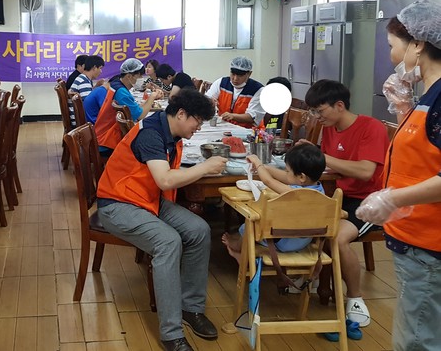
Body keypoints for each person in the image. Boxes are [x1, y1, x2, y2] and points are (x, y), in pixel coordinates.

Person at [96, 88, 227, 351]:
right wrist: (205, 167)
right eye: (197, 121)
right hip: (117, 204)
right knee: (168, 242)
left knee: (199, 230)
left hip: (146, 199)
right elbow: (165, 180)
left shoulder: (170, 131)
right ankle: (171, 333)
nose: (199, 128)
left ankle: (191, 308)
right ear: (181, 114)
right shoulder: (151, 134)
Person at [356, 0, 441, 351]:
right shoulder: (429, 96)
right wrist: (405, 108)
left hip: (429, 242)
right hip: (414, 239)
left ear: (418, 45)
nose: (392, 56)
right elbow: (425, 154)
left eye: (393, 46)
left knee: (418, 340)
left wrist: (392, 198)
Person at [302, 79, 388, 326]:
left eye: (320, 111)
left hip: (369, 201)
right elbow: (330, 165)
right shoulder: (331, 127)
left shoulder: (371, 128)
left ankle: (355, 298)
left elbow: (365, 172)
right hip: (337, 195)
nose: (317, 117)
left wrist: (321, 156)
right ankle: (309, 277)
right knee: (294, 214)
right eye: (313, 112)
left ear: (339, 105)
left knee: (337, 238)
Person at [222, 143, 326, 260]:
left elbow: (268, 181)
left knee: (250, 224)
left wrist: (258, 163)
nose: (286, 173)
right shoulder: (319, 190)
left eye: (288, 171)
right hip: (303, 240)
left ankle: (238, 248)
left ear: (302, 177)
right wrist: (265, 168)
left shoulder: (296, 193)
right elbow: (287, 178)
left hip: (284, 240)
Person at [94, 58, 163, 152]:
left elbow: (136, 109)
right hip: (106, 140)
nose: (141, 79)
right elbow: (140, 116)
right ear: (129, 76)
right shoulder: (121, 92)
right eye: (139, 76)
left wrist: (150, 99)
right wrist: (152, 96)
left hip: (104, 134)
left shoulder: (117, 85)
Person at [205, 56, 264, 128]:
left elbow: (252, 117)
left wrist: (233, 116)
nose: (235, 79)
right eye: (233, 74)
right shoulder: (221, 83)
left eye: (240, 75)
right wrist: (209, 101)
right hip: (224, 126)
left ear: (249, 74)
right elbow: (206, 98)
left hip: (248, 130)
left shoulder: (258, 90)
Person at [68, 55, 105, 125]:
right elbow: (89, 105)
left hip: (78, 118)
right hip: (83, 121)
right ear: (94, 68)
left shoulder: (83, 78)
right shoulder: (83, 81)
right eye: (100, 68)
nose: (101, 71)